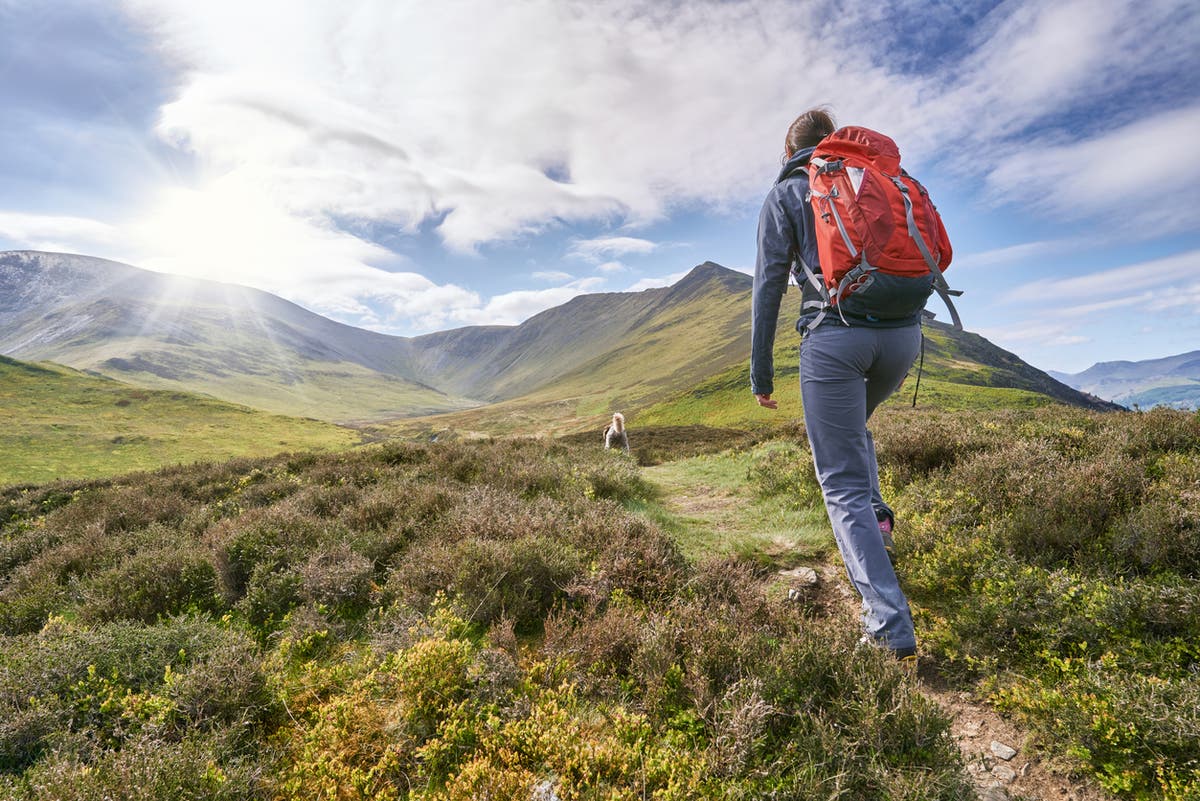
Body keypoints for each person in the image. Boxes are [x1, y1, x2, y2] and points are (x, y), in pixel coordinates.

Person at [750, 108, 920, 665]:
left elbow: (769, 287)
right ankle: (880, 521)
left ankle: (886, 625)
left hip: (836, 340)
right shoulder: (869, 180)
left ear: (788, 150)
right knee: (853, 436)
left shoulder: (787, 194)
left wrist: (761, 373)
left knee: (839, 480)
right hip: (903, 337)